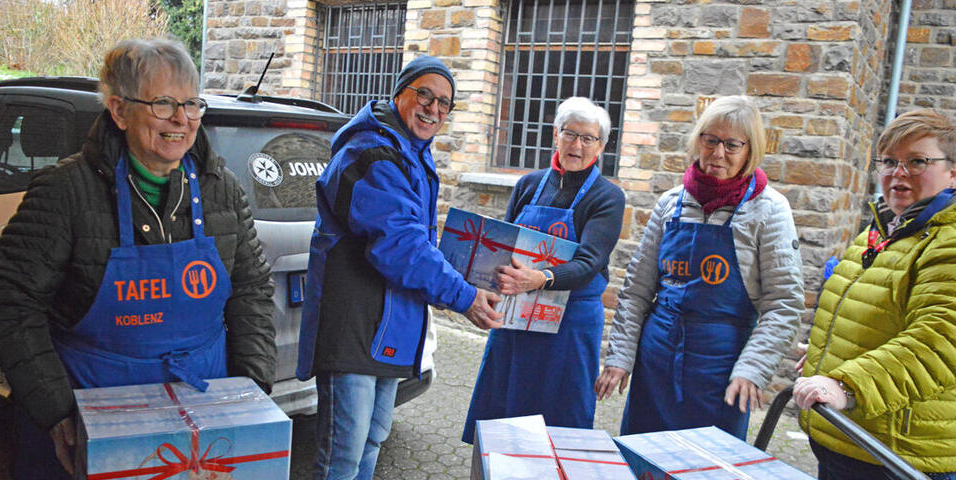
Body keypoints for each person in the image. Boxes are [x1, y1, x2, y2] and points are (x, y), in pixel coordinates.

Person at [0, 38, 277, 479]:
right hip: (88, 414)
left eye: (191, 104)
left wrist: (251, 389)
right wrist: (55, 409)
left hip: (200, 414)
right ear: (119, 110)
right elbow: (10, 301)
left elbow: (252, 291)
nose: (182, 120)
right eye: (163, 104)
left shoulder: (223, 189)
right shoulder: (66, 191)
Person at [296, 55, 503, 480]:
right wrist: (463, 295)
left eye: (445, 103)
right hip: (355, 325)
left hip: (392, 324)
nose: (434, 109)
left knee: (371, 442)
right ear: (399, 92)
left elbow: (417, 243)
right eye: (424, 94)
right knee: (342, 456)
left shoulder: (411, 153)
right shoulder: (371, 153)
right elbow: (401, 245)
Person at [594, 95, 805, 440]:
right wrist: (620, 356)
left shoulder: (769, 210)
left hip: (721, 370)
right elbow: (636, 291)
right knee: (644, 453)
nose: (718, 153)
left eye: (732, 144)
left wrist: (752, 369)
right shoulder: (670, 203)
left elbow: (784, 303)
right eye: (710, 140)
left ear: (750, 149)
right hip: (657, 360)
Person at [793, 108, 956, 480]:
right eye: (889, 161)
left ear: (953, 173)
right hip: (853, 440)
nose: (898, 173)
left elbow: (941, 341)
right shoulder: (887, 231)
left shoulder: (947, 241)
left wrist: (844, 384)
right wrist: (828, 355)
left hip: (899, 457)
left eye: (917, 161)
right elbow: (874, 320)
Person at [461, 97, 625, 443]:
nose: (577, 145)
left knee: (560, 418)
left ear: (601, 146)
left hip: (570, 326)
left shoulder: (607, 197)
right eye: (570, 134)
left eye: (588, 138)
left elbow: (589, 262)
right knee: (506, 411)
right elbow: (500, 246)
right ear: (555, 135)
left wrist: (541, 278)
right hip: (516, 319)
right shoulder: (528, 185)